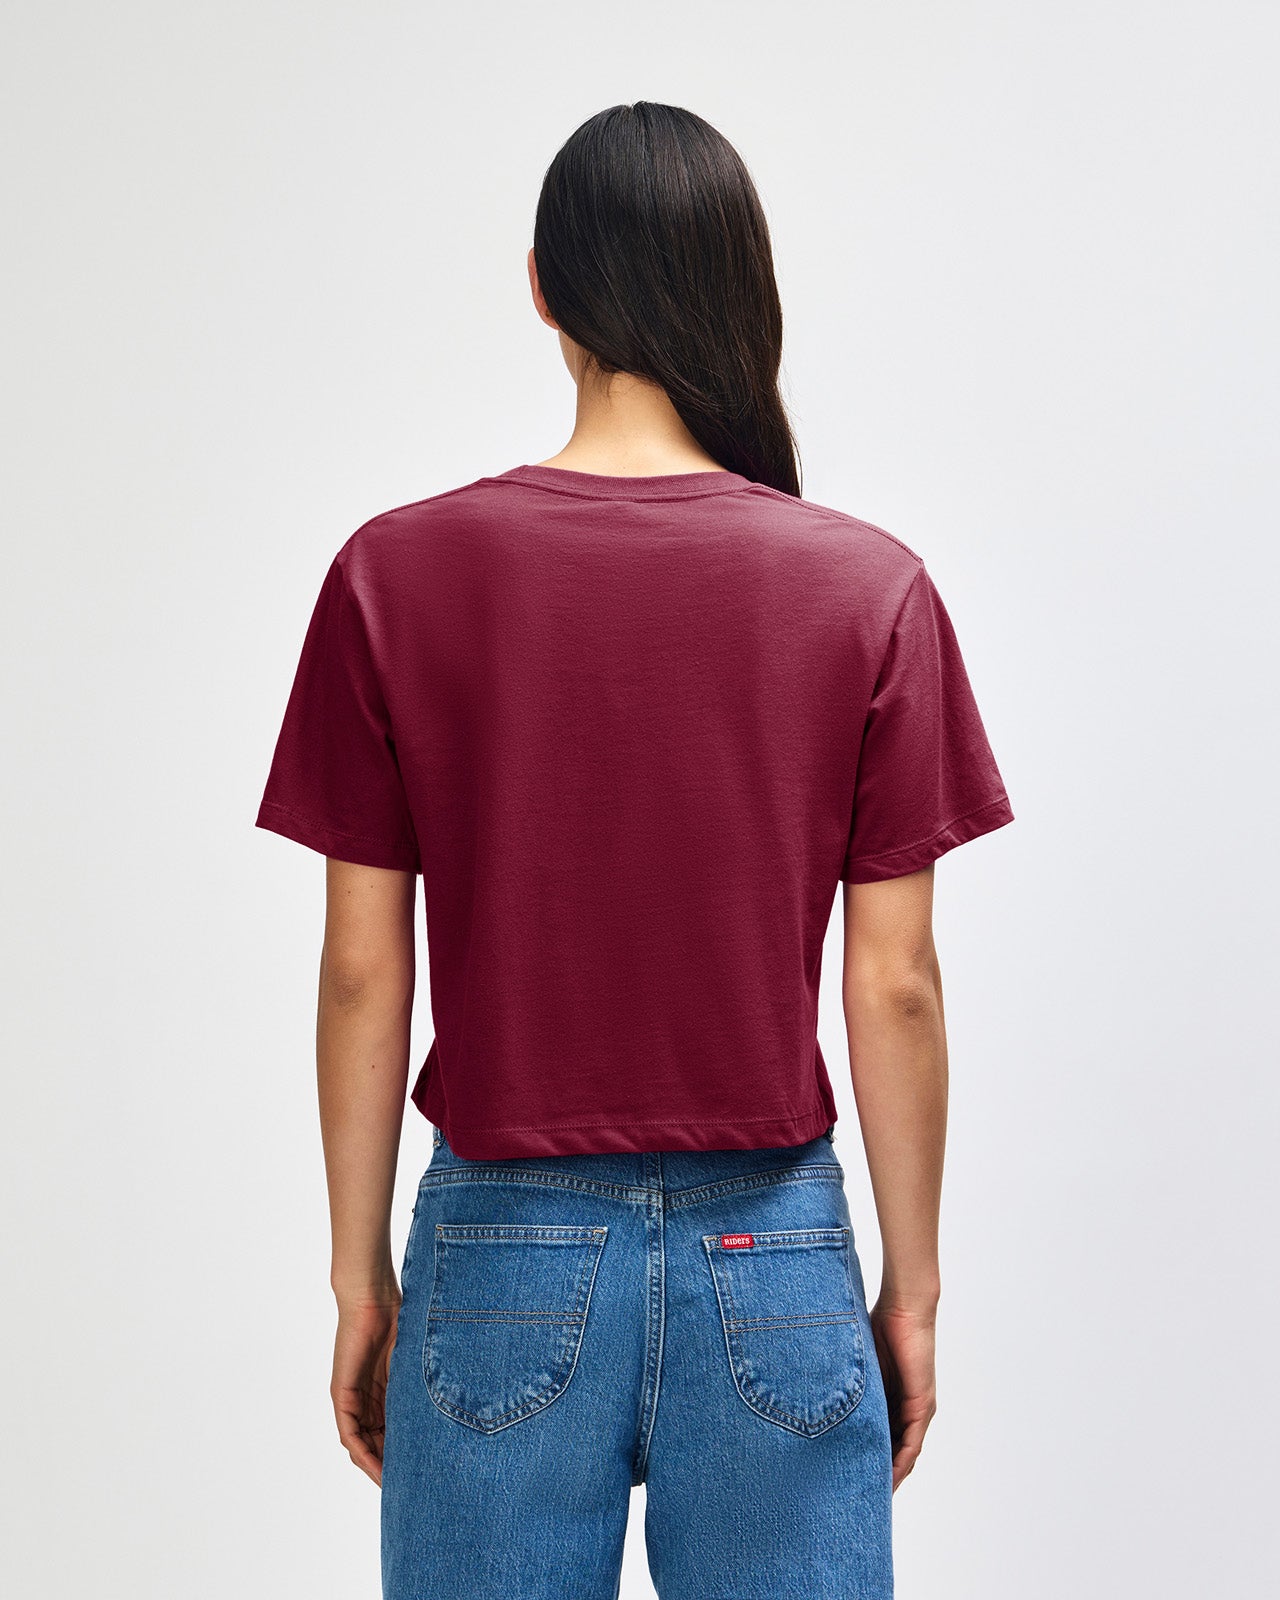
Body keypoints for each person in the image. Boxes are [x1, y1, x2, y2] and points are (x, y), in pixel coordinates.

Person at [254, 101, 1015, 1600]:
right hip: (775, 1254)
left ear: (542, 286)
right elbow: (899, 985)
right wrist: (910, 1293)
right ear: (741, 284)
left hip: (495, 1257)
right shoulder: (867, 588)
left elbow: (360, 970)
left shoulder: (395, 573)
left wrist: (361, 1278)